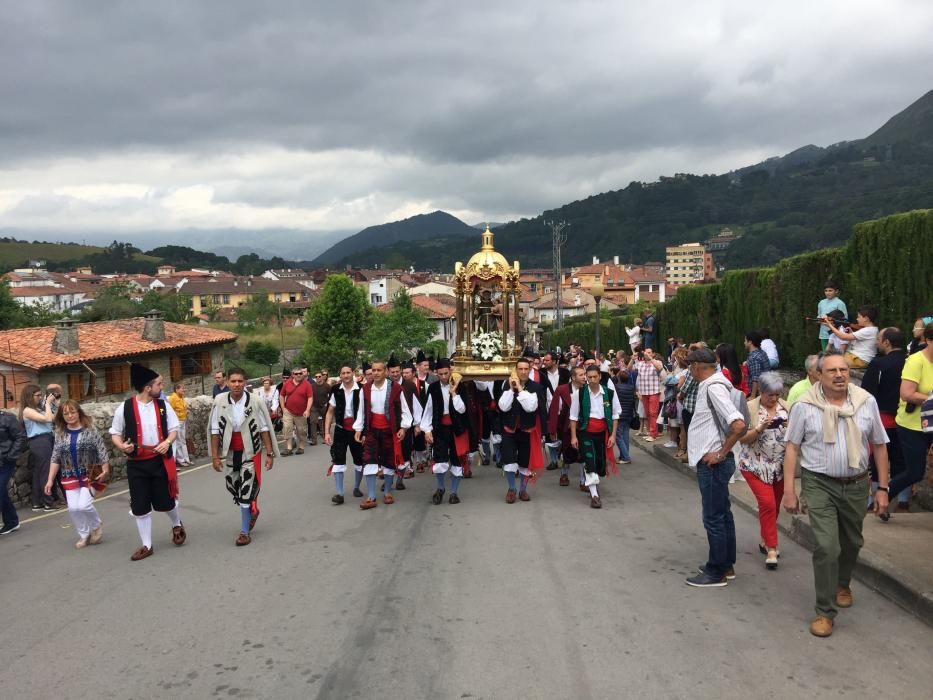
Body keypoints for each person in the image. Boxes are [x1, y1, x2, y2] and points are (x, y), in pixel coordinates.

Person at [781, 351, 889, 637]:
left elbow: (879, 445)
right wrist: (789, 490)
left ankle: (843, 583)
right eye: (832, 370)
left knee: (852, 541)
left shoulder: (866, 402)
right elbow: (791, 447)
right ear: (818, 374)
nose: (840, 374)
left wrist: (883, 488)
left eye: (844, 369)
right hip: (819, 483)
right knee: (827, 547)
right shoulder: (804, 405)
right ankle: (825, 611)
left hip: (856, 483)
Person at [109, 363, 186, 562]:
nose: (162, 387)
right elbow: (115, 433)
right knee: (140, 506)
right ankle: (147, 545)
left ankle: (176, 523)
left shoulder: (163, 405)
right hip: (136, 465)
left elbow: (174, 428)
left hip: (159, 462)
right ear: (147, 387)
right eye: (159, 384)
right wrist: (122, 447)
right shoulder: (124, 408)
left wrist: (167, 442)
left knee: (166, 502)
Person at [684, 348, 747, 588]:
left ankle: (716, 570)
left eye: (691, 366)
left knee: (713, 517)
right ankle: (725, 564)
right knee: (722, 513)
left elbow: (738, 425)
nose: (690, 370)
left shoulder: (713, 387)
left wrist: (720, 453)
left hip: (713, 463)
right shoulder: (717, 384)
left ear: (698, 366)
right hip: (716, 461)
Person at [210, 367, 277, 546]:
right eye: (233, 381)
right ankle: (252, 511)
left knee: (246, 491)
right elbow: (215, 430)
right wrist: (215, 456)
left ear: (245, 383)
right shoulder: (220, 401)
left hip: (250, 451)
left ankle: (244, 532)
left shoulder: (254, 401)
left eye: (240, 381)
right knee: (234, 487)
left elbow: (263, 428)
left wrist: (269, 453)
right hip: (231, 452)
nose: (237, 384)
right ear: (227, 382)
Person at [737, 372, 788, 570]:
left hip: (780, 466)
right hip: (754, 465)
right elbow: (742, 438)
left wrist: (786, 425)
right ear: (762, 392)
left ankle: (765, 538)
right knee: (767, 503)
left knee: (774, 505)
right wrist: (760, 428)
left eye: (777, 394)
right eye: (769, 395)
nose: (773, 399)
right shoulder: (750, 407)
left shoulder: (787, 407)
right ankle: (772, 548)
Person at [46, 400, 109, 549]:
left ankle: (96, 526)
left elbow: (102, 451)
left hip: (90, 474)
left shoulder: (90, 430)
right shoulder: (60, 433)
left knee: (84, 505)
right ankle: (84, 534)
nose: (69, 416)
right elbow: (55, 457)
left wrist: (105, 470)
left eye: (72, 412)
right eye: (66, 413)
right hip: (69, 475)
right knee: (73, 508)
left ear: (79, 412)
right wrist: (49, 480)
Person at [861, 328, 910, 514]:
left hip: (883, 419)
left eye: (879, 339)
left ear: (887, 342)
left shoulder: (878, 364)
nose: (877, 342)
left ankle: (874, 501)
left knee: (876, 460)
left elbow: (866, 394)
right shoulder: (912, 362)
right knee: (902, 460)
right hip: (908, 420)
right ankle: (903, 502)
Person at [886, 322, 933, 517]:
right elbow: (906, 394)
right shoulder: (916, 361)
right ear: (928, 340)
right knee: (915, 472)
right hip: (913, 425)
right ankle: (884, 495)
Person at [353, 360, 412, 510]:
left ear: (385, 371)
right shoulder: (365, 389)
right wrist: (359, 429)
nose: (376, 373)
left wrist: (403, 428)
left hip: (389, 430)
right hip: (372, 430)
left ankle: (387, 492)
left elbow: (405, 410)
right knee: (369, 460)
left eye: (379, 370)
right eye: (374, 370)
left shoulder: (396, 388)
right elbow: (361, 411)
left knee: (388, 461)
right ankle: (371, 496)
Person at [570, 365, 621, 508]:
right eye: (589, 377)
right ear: (586, 377)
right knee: (589, 461)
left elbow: (615, 415)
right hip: (585, 431)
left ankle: (595, 484)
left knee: (600, 463)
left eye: (595, 377)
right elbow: (573, 417)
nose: (592, 380)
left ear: (600, 377)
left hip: (602, 432)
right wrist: (574, 437)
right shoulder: (579, 393)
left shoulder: (609, 393)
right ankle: (594, 495)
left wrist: (613, 435)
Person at [498, 358, 547, 503]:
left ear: (530, 369)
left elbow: (531, 407)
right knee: (509, 460)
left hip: (527, 430)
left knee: (525, 462)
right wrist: (511, 389)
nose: (523, 372)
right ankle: (512, 488)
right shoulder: (506, 385)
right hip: (509, 429)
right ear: (516, 370)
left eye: (526, 369)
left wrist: (519, 388)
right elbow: (503, 406)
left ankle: (523, 489)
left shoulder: (536, 387)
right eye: (520, 369)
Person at [421, 359, 469, 505]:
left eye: (445, 373)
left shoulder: (461, 387)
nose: (443, 377)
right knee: (440, 460)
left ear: (450, 371)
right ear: (436, 373)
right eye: (440, 374)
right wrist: (427, 430)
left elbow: (462, 409)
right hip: (440, 429)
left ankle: (454, 492)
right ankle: (441, 488)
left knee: (457, 461)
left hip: (457, 429)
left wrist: (454, 394)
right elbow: (428, 410)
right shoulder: (433, 388)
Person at [324, 366, 365, 504]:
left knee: (359, 459)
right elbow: (330, 411)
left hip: (357, 430)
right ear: (340, 375)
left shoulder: (361, 389)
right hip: (341, 429)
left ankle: (357, 487)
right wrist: (327, 432)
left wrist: (365, 432)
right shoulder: (336, 389)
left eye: (348, 372)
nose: (346, 375)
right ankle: (339, 493)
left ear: (353, 374)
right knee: (338, 459)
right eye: (343, 373)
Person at [20, 384, 61, 512]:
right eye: (37, 395)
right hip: (39, 441)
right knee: (46, 472)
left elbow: (54, 418)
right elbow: (48, 419)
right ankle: (48, 502)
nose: (40, 398)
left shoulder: (37, 409)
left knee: (38, 473)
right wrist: (48, 404)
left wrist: (57, 404)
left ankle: (37, 502)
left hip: (45, 440)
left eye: (40, 395)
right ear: (29, 396)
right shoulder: (27, 410)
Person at [549, 366, 587, 487]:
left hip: (583, 427)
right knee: (567, 452)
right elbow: (554, 410)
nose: (584, 377)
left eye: (584, 374)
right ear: (573, 377)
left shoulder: (587, 389)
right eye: (581, 375)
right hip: (565, 427)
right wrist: (552, 429)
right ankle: (564, 473)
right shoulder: (562, 390)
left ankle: (583, 481)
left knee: (582, 454)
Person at [824, 304, 879, 369]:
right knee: (830, 359)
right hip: (856, 358)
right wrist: (851, 333)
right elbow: (859, 342)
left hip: (859, 359)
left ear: (866, 318)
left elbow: (843, 337)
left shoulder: (868, 330)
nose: (857, 319)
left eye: (859, 317)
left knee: (831, 362)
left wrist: (830, 325)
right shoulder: (871, 330)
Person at [0, 409, 26, 535]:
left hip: (5, 461)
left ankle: (11, 521)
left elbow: (20, 437)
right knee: (2, 491)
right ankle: (12, 521)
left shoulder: (8, 418)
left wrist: (10, 456)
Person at [629, 347, 664, 441]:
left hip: (654, 391)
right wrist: (632, 360)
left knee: (653, 413)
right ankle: (649, 432)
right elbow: (629, 369)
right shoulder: (640, 364)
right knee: (647, 413)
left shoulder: (657, 362)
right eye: (646, 352)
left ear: (653, 354)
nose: (647, 354)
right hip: (644, 392)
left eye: (649, 352)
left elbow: (660, 368)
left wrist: (651, 359)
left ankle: (653, 434)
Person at [280, 367, 313, 456]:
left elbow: (310, 398)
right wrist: (283, 407)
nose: (298, 375)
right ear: (292, 375)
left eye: (300, 373)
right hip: (288, 410)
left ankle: (301, 447)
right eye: (296, 374)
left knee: (301, 430)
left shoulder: (307, 384)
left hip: (302, 412)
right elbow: (282, 395)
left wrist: (307, 409)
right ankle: (289, 448)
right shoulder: (287, 384)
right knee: (287, 428)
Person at [612, 367, 636, 465]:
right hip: (629, 414)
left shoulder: (617, 387)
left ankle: (625, 457)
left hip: (620, 414)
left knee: (618, 435)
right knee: (625, 435)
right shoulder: (631, 387)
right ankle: (624, 454)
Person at [817, 282, 847, 351]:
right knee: (826, 356)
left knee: (835, 357)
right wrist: (819, 319)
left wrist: (831, 323)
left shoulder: (840, 303)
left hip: (836, 335)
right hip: (823, 334)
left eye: (830, 290)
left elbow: (844, 320)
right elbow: (819, 315)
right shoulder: (821, 302)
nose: (828, 293)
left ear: (836, 291)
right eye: (826, 291)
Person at [167, 382, 191, 467]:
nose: (184, 389)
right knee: (179, 441)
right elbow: (170, 410)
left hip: (182, 420)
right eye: (182, 388)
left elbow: (183, 407)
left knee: (182, 440)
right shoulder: (173, 398)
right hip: (177, 421)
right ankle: (181, 460)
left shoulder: (181, 397)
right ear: (176, 389)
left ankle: (186, 459)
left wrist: (185, 411)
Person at [744, 331, 770, 399]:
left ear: (750, 342)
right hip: (766, 388)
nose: (744, 343)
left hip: (758, 394)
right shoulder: (762, 353)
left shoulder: (754, 358)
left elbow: (756, 378)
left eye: (745, 341)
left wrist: (752, 396)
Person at [308, 369, 330, 446]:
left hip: (324, 405)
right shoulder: (312, 386)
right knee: (313, 421)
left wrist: (328, 404)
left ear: (322, 377)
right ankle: (314, 440)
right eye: (316, 376)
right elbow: (309, 396)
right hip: (314, 406)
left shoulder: (327, 386)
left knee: (326, 421)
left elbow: (331, 395)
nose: (318, 378)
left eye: (319, 376)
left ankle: (326, 437)